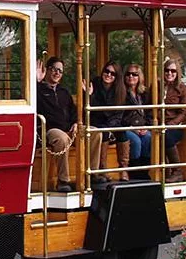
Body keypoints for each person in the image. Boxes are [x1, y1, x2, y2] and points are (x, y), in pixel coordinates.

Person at [37, 56, 104, 191]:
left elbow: (74, 111)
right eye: (54, 69)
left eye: (60, 71)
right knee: (63, 139)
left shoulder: (64, 92)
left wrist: (75, 123)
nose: (57, 73)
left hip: (69, 128)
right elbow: (29, 101)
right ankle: (63, 181)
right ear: (47, 71)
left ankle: (91, 174)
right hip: (50, 129)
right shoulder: (39, 90)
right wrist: (36, 82)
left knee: (95, 132)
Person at [89, 61, 129, 181]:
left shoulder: (120, 90)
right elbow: (92, 110)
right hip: (96, 121)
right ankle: (102, 169)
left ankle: (123, 169)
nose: (109, 75)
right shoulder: (95, 84)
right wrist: (90, 95)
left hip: (112, 122)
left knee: (122, 133)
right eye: (106, 71)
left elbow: (119, 114)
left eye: (113, 73)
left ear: (117, 77)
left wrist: (111, 127)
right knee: (104, 132)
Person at [122, 63, 152, 176]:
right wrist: (132, 128)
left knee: (148, 137)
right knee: (136, 141)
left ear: (139, 77)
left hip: (142, 126)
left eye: (134, 74)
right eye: (128, 74)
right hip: (126, 127)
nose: (131, 77)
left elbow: (149, 112)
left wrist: (146, 126)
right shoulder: (122, 93)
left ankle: (144, 172)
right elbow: (120, 115)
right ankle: (134, 172)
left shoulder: (144, 93)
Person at [163, 58, 186, 182]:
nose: (169, 73)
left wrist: (171, 124)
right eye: (167, 70)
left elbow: (183, 112)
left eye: (173, 71)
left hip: (174, 126)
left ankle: (177, 171)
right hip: (157, 124)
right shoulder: (157, 86)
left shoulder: (182, 88)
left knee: (166, 136)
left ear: (177, 72)